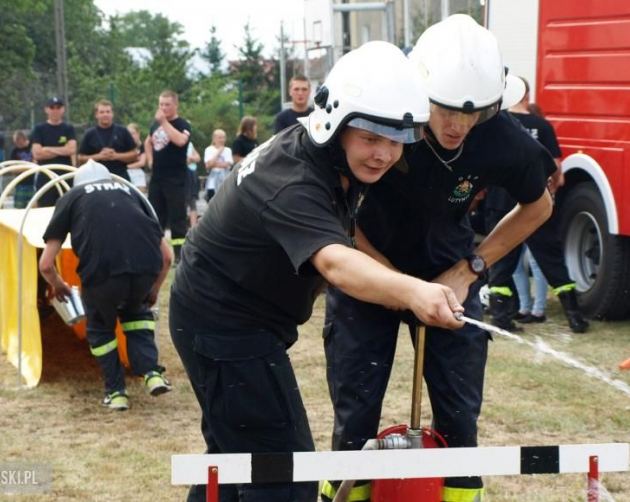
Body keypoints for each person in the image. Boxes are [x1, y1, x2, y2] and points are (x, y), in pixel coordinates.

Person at [169, 41, 464, 502]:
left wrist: (403, 286)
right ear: (336, 125)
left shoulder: (328, 160)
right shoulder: (294, 180)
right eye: (370, 138)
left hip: (228, 321)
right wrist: (413, 292)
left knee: (233, 463)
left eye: (394, 141)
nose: (383, 155)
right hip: (225, 329)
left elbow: (346, 242)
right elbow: (335, 261)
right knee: (286, 477)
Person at [320, 16, 554, 502]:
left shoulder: (502, 137)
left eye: (473, 113)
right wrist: (382, 274)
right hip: (368, 271)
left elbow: (540, 205)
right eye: (445, 110)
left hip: (449, 275)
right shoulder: (378, 119)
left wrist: (472, 268)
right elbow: (329, 205)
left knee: (460, 421)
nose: (458, 125)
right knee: (356, 417)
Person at [39, 160, 174, 411]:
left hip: (102, 277)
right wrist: (153, 289)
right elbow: (167, 257)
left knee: (101, 329)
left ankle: (116, 393)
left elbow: (46, 264)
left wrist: (58, 285)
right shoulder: (132, 194)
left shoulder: (71, 197)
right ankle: (152, 373)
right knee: (137, 316)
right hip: (145, 270)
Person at [485, 77, 589, 332]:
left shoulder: (495, 124)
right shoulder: (542, 125)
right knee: (551, 258)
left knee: (501, 258)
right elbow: (556, 167)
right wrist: (552, 184)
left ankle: (500, 317)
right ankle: (575, 317)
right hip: (534, 201)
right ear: (526, 95)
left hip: (500, 201)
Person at [144, 90, 191, 265]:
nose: (163, 108)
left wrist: (164, 122)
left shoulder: (182, 124)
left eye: (167, 104)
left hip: (176, 179)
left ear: (176, 105)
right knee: (154, 217)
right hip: (157, 179)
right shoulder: (155, 125)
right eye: (161, 104)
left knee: (177, 218)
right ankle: (154, 252)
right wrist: (149, 159)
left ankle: (179, 255)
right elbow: (147, 142)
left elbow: (180, 141)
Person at [31, 97, 77, 207]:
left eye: (58, 107)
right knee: (45, 209)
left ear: (63, 109)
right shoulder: (39, 129)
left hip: (66, 176)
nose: (55, 110)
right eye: (52, 107)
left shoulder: (69, 128)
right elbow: (37, 153)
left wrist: (47, 149)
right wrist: (62, 150)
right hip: (45, 176)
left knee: (67, 208)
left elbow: (71, 150)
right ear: (46, 110)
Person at [78, 100, 138, 183]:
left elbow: (134, 154)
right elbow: (81, 158)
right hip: (96, 179)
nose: (105, 114)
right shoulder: (90, 134)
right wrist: (99, 156)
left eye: (108, 111)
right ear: (96, 114)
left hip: (120, 177)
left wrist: (116, 156)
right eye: (102, 112)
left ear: (112, 113)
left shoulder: (123, 131)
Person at [203, 129, 232, 202]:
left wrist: (213, 164)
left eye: (224, 137)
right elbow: (208, 166)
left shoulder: (228, 150)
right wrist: (218, 152)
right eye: (220, 137)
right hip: (212, 183)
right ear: (214, 138)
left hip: (224, 182)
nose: (222, 140)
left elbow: (227, 164)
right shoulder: (209, 150)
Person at [9, 130, 35, 209]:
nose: (18, 145)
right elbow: (12, 169)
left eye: (19, 142)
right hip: (21, 184)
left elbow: (36, 164)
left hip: (33, 183)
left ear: (23, 139)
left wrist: (21, 167)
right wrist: (29, 167)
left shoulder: (33, 147)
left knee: (34, 206)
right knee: (19, 207)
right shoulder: (14, 151)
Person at [126, 123, 148, 194]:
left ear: (138, 134)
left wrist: (126, 167)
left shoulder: (143, 146)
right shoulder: (124, 147)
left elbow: (142, 163)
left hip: (139, 174)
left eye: (133, 133)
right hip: (127, 174)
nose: (131, 136)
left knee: (140, 196)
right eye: (128, 134)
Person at [185, 142, 201, 228]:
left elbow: (198, 158)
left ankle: (194, 228)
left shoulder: (190, 144)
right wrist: (191, 159)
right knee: (183, 201)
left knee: (192, 200)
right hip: (183, 174)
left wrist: (190, 158)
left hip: (192, 174)